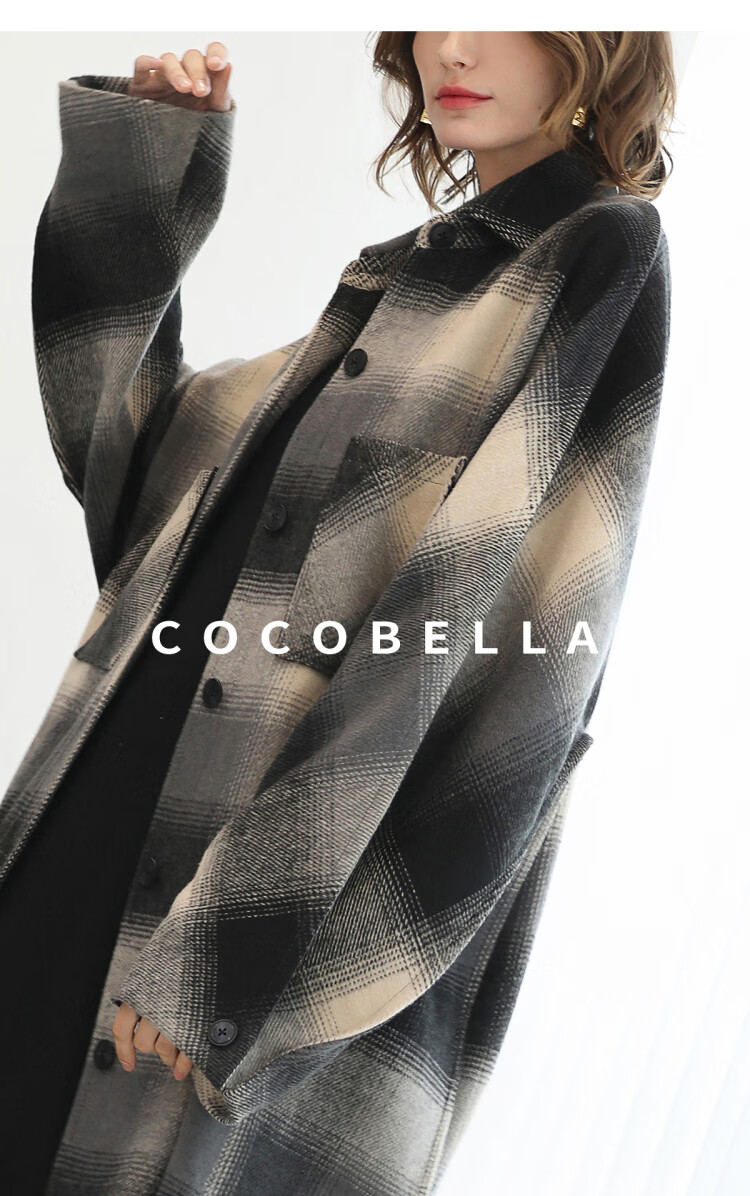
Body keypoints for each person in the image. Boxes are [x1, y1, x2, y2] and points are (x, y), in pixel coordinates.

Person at [0, 32, 675, 1196]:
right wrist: (145, 167)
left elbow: (497, 682)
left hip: (224, 956)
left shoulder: (601, 257)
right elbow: (130, 462)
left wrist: (232, 955)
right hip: (81, 856)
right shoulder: (395, 288)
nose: (450, 42)